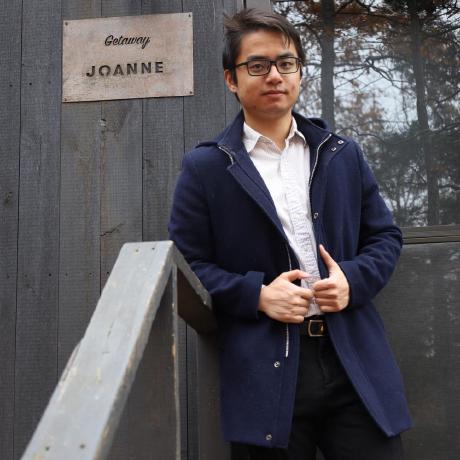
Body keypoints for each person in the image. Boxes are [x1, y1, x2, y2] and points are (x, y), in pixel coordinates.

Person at [169, 8, 411, 460]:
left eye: (286, 63)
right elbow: (188, 266)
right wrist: (256, 295)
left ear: (300, 72)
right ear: (231, 79)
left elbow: (385, 237)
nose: (275, 75)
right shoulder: (206, 168)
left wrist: (352, 281)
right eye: (257, 65)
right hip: (265, 371)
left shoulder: (342, 154)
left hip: (354, 360)